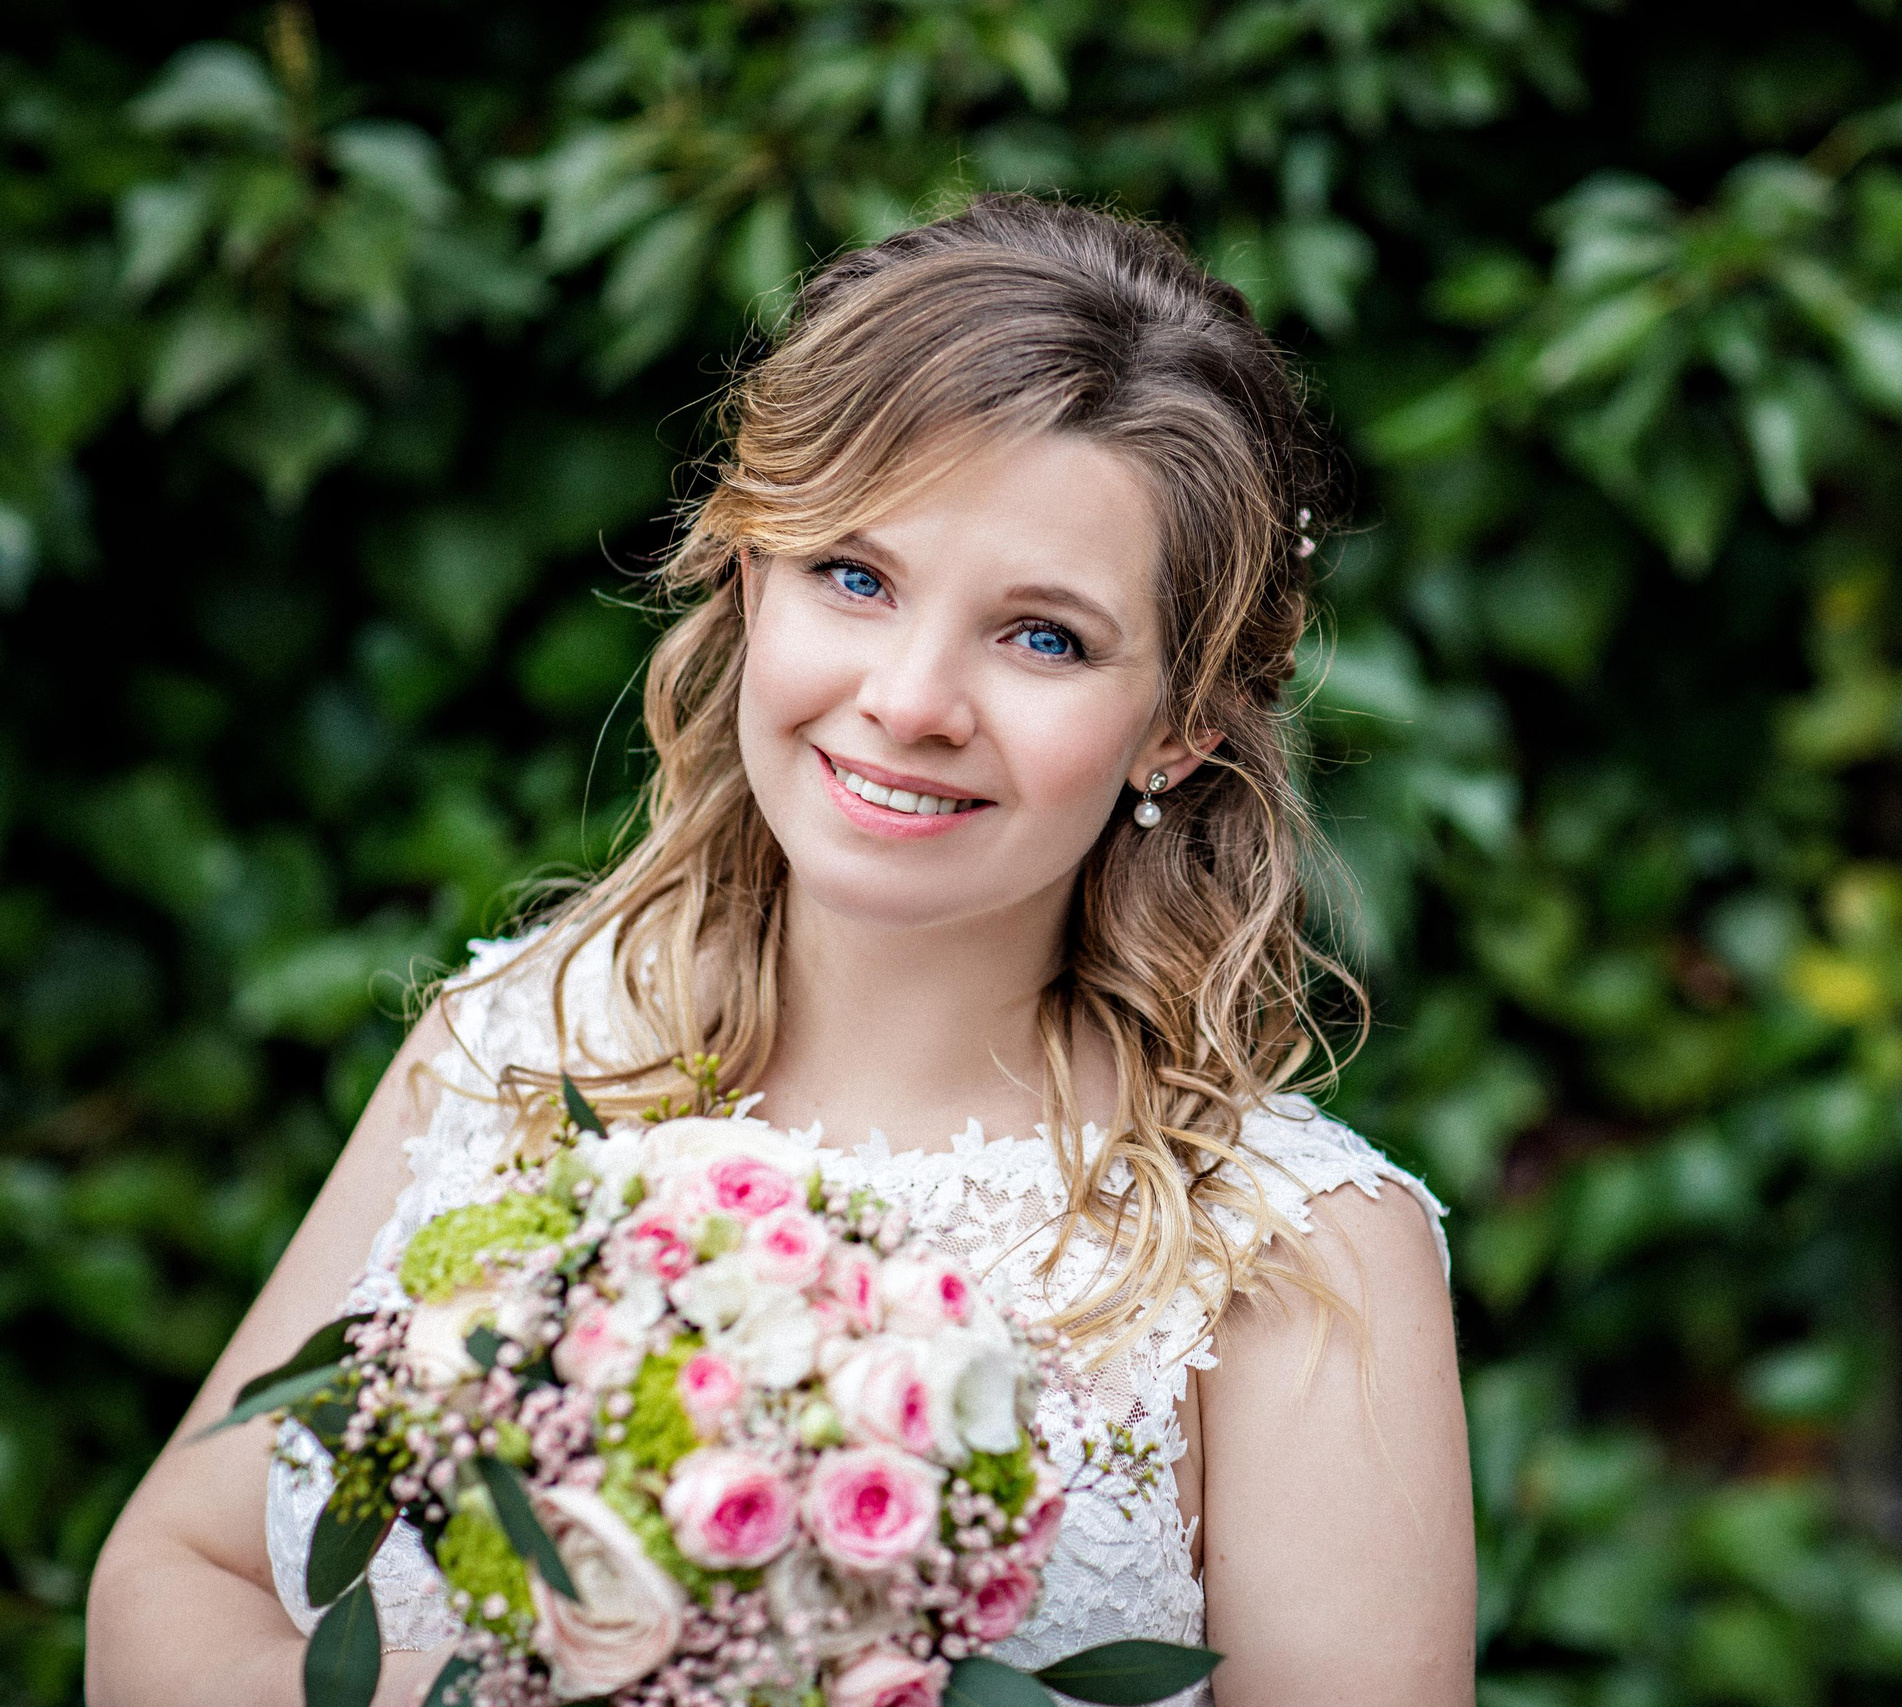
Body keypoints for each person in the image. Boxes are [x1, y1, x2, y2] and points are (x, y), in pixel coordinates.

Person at [86, 191, 1474, 1706]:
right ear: (751, 580)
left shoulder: (1292, 1259)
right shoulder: (510, 1050)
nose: (911, 698)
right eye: (856, 577)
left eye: (1045, 637)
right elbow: (169, 1588)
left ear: (1181, 725)